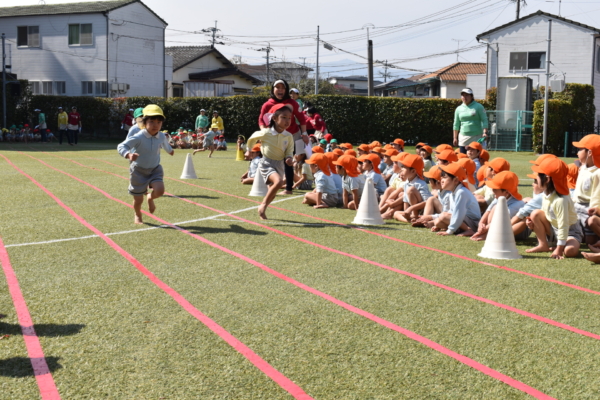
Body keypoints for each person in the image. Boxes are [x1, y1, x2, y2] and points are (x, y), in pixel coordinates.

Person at [117, 104, 174, 224]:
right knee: (138, 199)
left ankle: (150, 197)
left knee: (160, 191)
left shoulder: (161, 135)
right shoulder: (139, 136)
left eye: (159, 122)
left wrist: (170, 151)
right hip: (138, 171)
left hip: (155, 169)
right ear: (144, 122)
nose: (155, 125)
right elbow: (122, 146)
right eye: (152, 121)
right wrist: (128, 155)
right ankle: (137, 214)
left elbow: (165, 144)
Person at [525, 157, 582, 259]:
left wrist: (559, 249)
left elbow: (564, 225)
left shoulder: (561, 200)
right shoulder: (546, 194)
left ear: (547, 179)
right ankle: (543, 245)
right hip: (553, 228)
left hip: (570, 232)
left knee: (570, 251)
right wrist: (532, 222)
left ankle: (560, 246)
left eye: (538, 175)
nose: (535, 178)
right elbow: (545, 214)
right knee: (535, 213)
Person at [258, 79, 308, 195]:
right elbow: (261, 119)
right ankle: (272, 184)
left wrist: (304, 134)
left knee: (288, 160)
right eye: (277, 87)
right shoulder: (267, 104)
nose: (280, 90)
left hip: (291, 136)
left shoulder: (292, 103)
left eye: (282, 87)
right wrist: (263, 133)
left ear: (286, 90)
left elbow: (301, 118)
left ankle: (288, 189)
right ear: (273, 89)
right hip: (274, 137)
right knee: (272, 159)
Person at [246, 103, 295, 219]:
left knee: (272, 192)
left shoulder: (289, 136)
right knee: (278, 182)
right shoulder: (266, 132)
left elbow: (289, 151)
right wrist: (248, 150)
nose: (287, 120)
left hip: (280, 165)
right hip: (266, 163)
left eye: (289, 118)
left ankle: (264, 208)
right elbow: (252, 138)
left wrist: (289, 159)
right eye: (284, 117)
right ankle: (262, 205)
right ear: (274, 118)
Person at [469, 171, 525, 240]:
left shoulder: (517, 204)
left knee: (496, 208)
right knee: (494, 207)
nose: (492, 191)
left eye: (495, 189)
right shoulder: (499, 197)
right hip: (498, 227)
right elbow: (488, 211)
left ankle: (489, 235)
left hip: (516, 232)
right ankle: (489, 233)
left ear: (506, 192)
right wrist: (481, 223)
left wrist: (483, 230)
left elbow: (502, 220)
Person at [433, 162, 482, 235]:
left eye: (445, 177)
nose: (441, 180)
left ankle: (469, 230)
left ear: (455, 180)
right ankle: (459, 229)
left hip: (473, 223)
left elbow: (458, 213)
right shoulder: (453, 192)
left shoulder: (461, 192)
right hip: (463, 220)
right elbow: (450, 211)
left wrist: (449, 231)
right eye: (441, 177)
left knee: (443, 216)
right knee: (438, 221)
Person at [393, 153, 432, 223]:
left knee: (411, 190)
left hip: (422, 211)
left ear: (413, 171)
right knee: (396, 214)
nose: (401, 169)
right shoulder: (406, 183)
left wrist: (411, 208)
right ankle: (411, 220)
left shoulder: (421, 183)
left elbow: (427, 202)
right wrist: (406, 213)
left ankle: (416, 217)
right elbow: (405, 201)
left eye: (404, 167)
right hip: (411, 212)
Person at [453, 88, 488, 153]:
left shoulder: (479, 106)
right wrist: (455, 138)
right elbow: (456, 124)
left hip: (476, 137)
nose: (464, 97)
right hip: (463, 137)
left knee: (475, 158)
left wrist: (485, 132)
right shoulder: (458, 109)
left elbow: (484, 120)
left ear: (471, 96)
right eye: (463, 95)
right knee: (463, 158)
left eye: (467, 95)